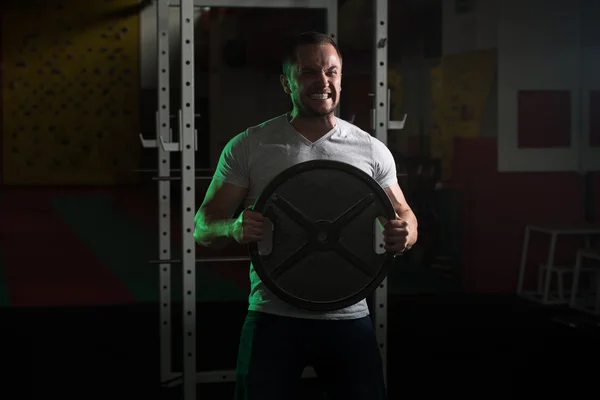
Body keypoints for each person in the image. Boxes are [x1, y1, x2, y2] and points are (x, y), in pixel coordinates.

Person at [194, 31, 418, 400]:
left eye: (331, 72)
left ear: (341, 78)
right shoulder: (250, 146)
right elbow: (203, 227)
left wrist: (406, 231)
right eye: (309, 72)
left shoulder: (372, 151)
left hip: (348, 317)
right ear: (287, 81)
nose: (323, 82)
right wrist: (233, 228)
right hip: (272, 314)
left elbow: (405, 214)